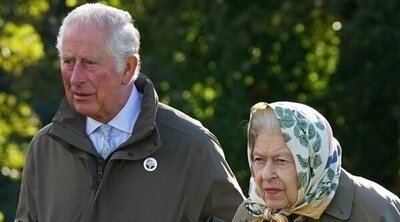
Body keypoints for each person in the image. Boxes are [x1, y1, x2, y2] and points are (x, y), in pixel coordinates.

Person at [14, 3, 244, 222]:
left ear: (128, 68)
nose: (75, 78)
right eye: (68, 61)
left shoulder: (192, 146)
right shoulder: (44, 148)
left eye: (89, 63)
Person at [233, 101, 400, 222]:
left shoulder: (376, 211)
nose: (266, 174)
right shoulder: (249, 214)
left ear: (313, 163)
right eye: (259, 159)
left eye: (281, 160)